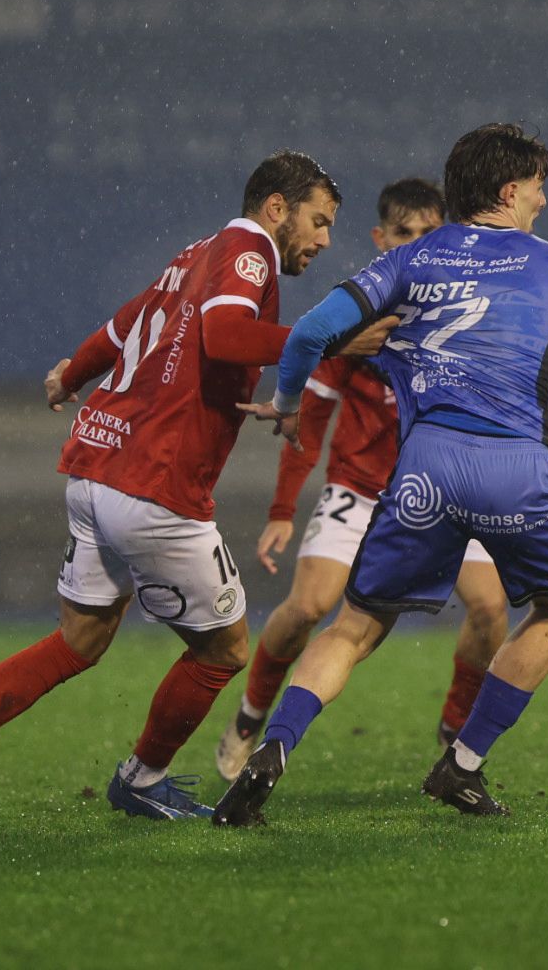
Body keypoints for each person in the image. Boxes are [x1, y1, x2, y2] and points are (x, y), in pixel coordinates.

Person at [0, 151, 395, 827]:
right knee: (226, 649)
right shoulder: (250, 251)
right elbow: (226, 337)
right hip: (156, 488)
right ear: (275, 208)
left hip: (96, 468)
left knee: (78, 641)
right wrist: (332, 339)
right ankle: (142, 778)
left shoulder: (197, 254)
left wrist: (71, 373)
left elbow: (123, 326)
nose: (323, 240)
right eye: (317, 221)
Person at [214, 123, 548, 826]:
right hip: (516, 471)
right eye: (537, 186)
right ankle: (461, 763)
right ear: (508, 191)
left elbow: (316, 331)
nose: (542, 199)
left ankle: (274, 748)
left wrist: (286, 402)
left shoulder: (413, 260)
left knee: (353, 626)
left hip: (422, 474)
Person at [213, 178, 511, 782]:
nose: (420, 244)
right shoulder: (364, 312)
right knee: (307, 608)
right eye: (407, 233)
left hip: (446, 493)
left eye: (432, 233)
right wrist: (280, 509)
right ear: (382, 239)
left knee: (491, 610)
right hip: (360, 492)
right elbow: (309, 420)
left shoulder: (467, 312)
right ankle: (250, 715)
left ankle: (453, 728)